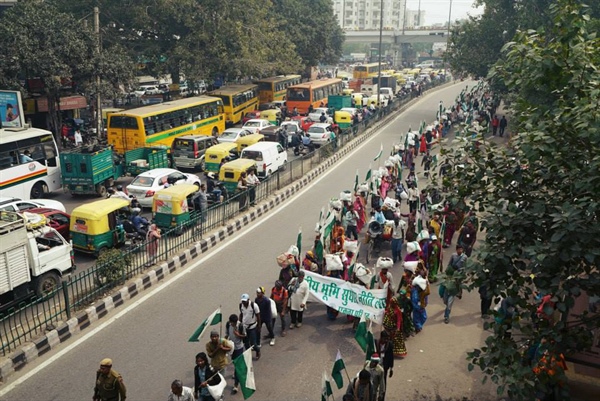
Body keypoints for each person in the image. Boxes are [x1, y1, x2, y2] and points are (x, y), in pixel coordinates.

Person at [225, 314, 245, 394]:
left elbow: (244, 335)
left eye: (235, 323)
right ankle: (236, 373)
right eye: (232, 323)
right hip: (231, 347)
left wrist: (238, 335)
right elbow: (227, 334)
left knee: (237, 365)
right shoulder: (228, 324)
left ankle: (236, 385)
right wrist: (224, 340)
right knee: (234, 362)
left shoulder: (240, 325)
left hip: (239, 347)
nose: (234, 324)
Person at [239, 293, 261, 360]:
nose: (244, 302)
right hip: (244, 327)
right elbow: (241, 314)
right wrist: (239, 323)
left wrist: (259, 326)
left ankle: (258, 351)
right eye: (243, 301)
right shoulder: (241, 305)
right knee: (246, 343)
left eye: (245, 301)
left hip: (252, 327)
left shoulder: (254, 305)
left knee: (253, 343)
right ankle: (248, 355)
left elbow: (258, 316)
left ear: (248, 300)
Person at [375, 331, 394, 397]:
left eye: (387, 339)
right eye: (385, 339)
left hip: (384, 366)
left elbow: (391, 357)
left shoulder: (390, 345)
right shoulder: (375, 343)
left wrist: (391, 368)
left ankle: (382, 397)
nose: (386, 340)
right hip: (376, 365)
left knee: (383, 383)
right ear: (381, 337)